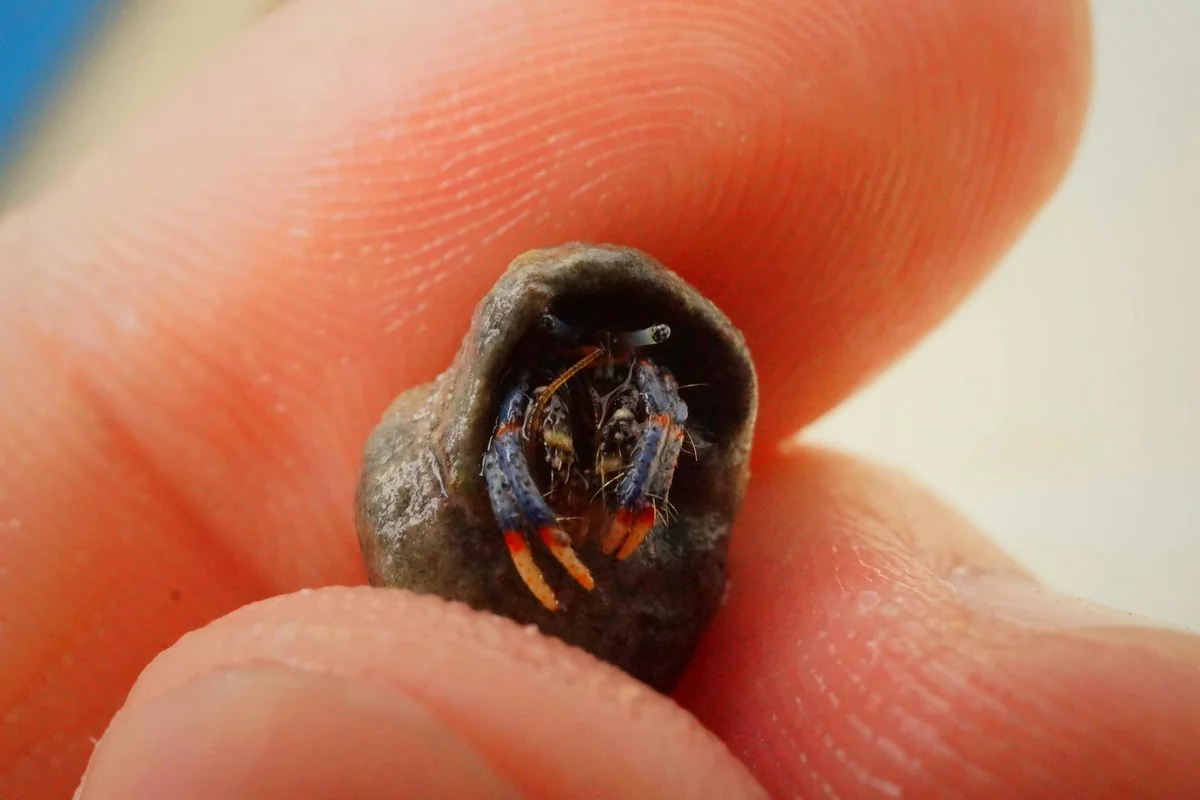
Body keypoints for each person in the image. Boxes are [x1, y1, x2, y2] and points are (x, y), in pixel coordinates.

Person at [4, 1, 1192, 797]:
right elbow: (513, 418)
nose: (630, 394)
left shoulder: (645, 396)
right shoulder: (520, 407)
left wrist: (634, 491)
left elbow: (665, 411)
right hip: (506, 517)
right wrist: (515, 496)